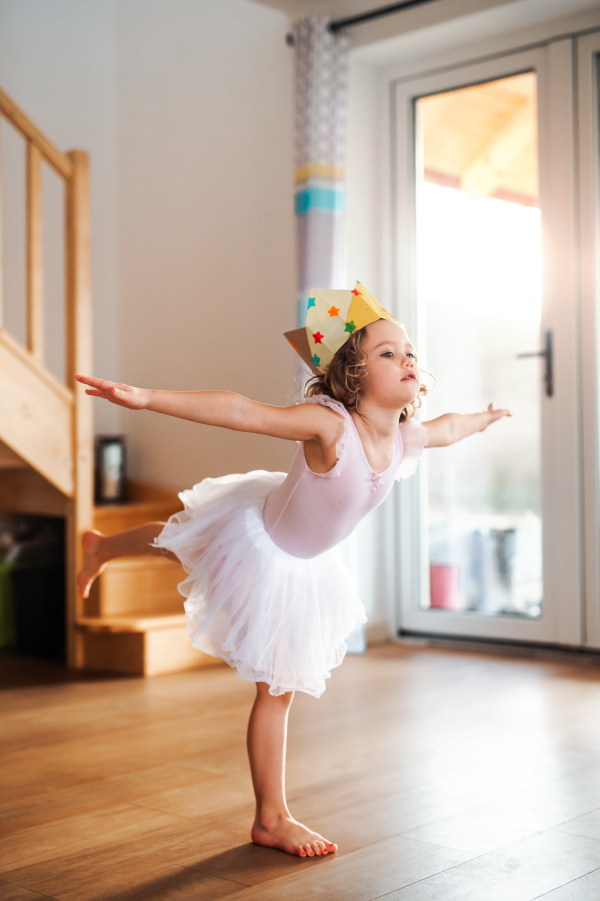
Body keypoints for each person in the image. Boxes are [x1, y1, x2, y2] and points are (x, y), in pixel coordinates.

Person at [76, 283, 510, 859]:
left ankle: (102, 548)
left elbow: (449, 428)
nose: (406, 359)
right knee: (201, 567)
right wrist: (147, 397)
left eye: (408, 350)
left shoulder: (403, 438)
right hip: (266, 549)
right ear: (352, 378)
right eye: (387, 352)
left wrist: (484, 417)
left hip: (308, 566)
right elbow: (241, 411)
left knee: (182, 541)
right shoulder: (331, 427)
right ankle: (271, 818)